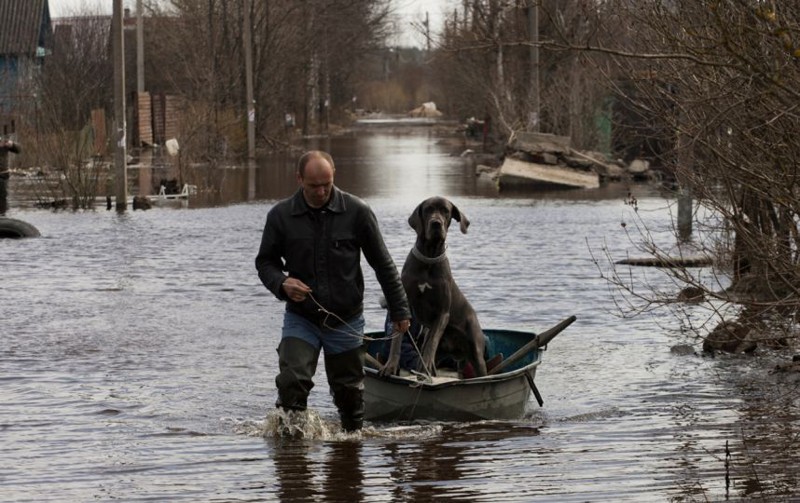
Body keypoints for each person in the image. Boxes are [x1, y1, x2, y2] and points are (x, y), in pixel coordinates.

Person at [255, 150, 411, 432]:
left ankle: (349, 455)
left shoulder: (357, 211)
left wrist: (400, 309)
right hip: (301, 317)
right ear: (299, 179)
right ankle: (292, 456)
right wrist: (282, 284)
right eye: (313, 186)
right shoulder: (281, 215)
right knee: (293, 381)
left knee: (349, 394)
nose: (321, 191)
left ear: (333, 176)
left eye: (326, 184)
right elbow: (265, 262)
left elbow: (383, 263)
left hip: (346, 319)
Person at [0, 137, 21, 215]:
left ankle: (3, 216)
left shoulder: (4, 143)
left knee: (3, 196)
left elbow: (18, 150)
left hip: (3, 174)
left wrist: (12, 145)